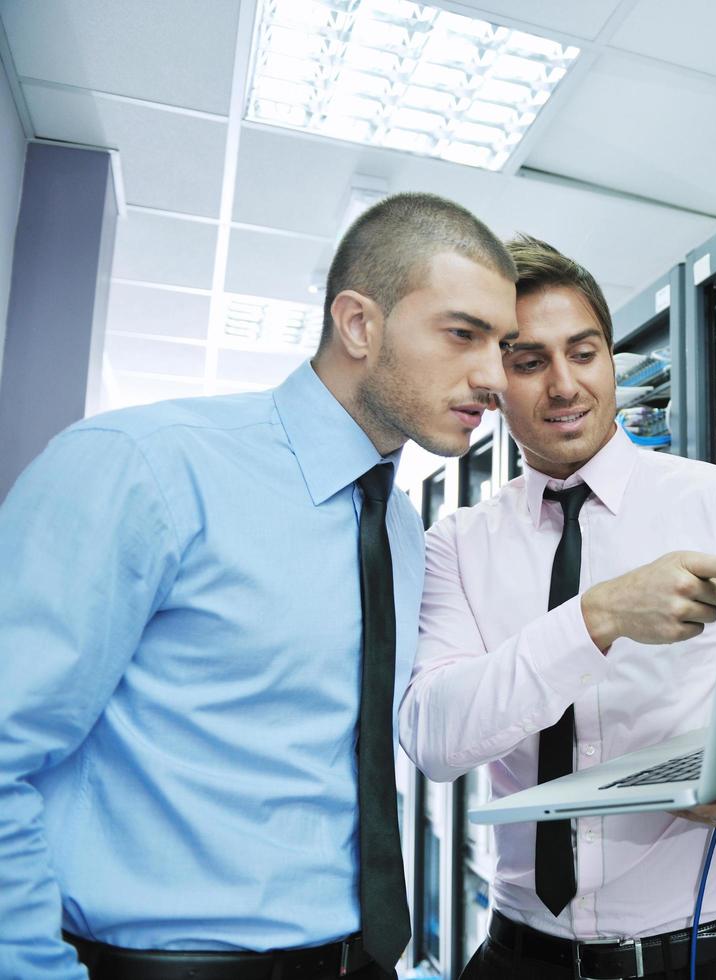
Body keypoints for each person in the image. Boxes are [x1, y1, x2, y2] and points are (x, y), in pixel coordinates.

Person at [0, 193, 519, 980]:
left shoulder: (398, 528)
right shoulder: (145, 468)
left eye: (502, 343)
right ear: (358, 324)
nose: (494, 377)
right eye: (462, 334)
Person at [397, 235, 716, 980]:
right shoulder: (458, 544)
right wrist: (594, 618)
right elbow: (435, 738)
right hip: (520, 954)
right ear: (490, 379)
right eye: (529, 361)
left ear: (608, 357)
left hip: (704, 953)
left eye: (584, 352)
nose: (565, 385)